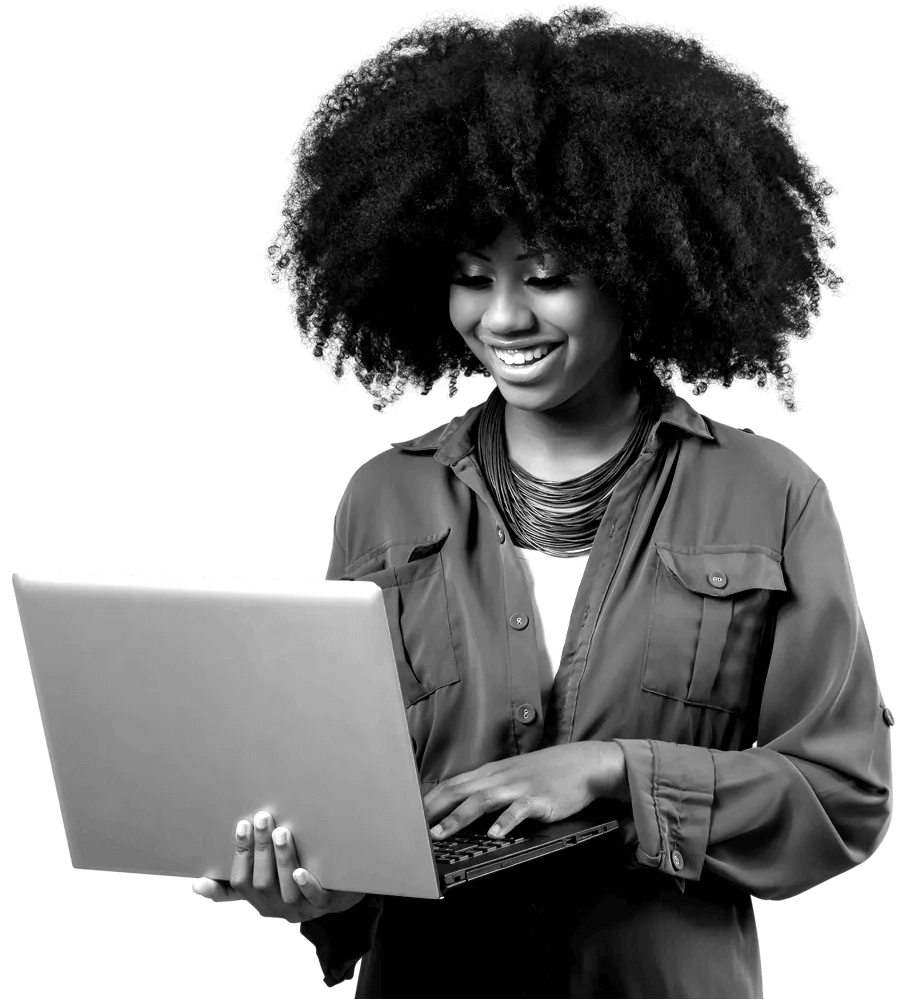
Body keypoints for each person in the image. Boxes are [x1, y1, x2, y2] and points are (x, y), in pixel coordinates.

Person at [192, 8, 893, 998]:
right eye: (470, 279)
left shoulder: (770, 493)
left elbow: (843, 796)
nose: (504, 318)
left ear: (639, 269)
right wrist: (303, 888)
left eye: (549, 277)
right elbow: (357, 802)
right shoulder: (382, 498)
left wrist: (613, 769)